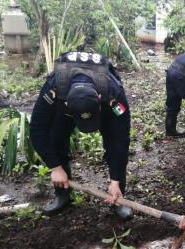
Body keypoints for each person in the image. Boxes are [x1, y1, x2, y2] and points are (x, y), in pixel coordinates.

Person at [30, 51, 133, 221]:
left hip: (104, 107)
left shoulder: (113, 95)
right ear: (67, 104)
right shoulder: (54, 90)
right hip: (66, 106)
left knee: (113, 145)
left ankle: (118, 196)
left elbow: (121, 140)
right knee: (56, 139)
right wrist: (55, 167)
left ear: (99, 99)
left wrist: (115, 179)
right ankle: (62, 195)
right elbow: (37, 129)